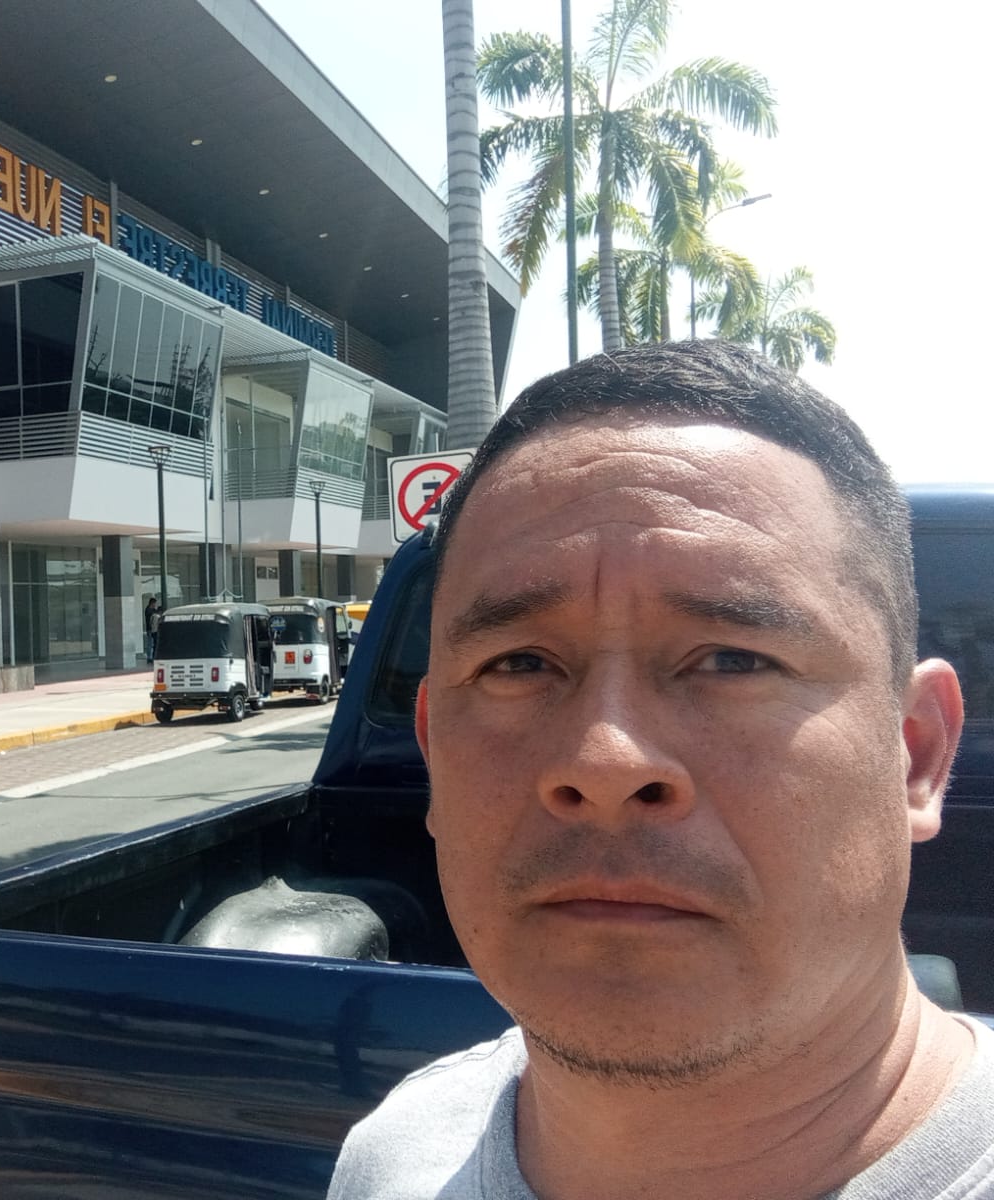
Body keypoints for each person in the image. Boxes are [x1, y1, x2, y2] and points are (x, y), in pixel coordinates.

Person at [328, 340, 989, 1200]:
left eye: (732, 660)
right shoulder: (394, 1158)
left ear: (916, 754)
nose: (604, 761)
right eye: (519, 664)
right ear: (432, 756)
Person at [144, 595, 163, 661]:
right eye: (154, 603)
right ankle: (149, 657)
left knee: (152, 643)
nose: (155, 605)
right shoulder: (148, 610)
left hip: (152, 629)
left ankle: (151, 656)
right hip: (150, 629)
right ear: (152, 603)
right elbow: (153, 617)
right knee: (150, 643)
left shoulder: (152, 610)